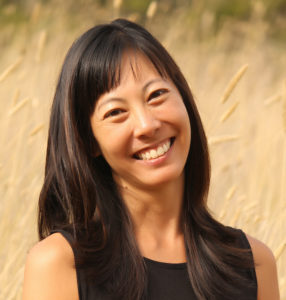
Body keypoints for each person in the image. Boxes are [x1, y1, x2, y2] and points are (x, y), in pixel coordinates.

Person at [22, 18, 280, 300]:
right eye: (116, 112)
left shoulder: (252, 264)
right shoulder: (59, 265)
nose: (147, 125)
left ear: (184, 100)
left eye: (156, 95)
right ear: (90, 142)